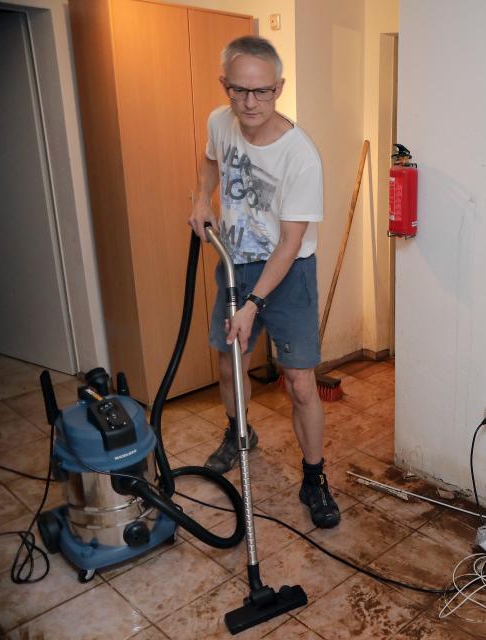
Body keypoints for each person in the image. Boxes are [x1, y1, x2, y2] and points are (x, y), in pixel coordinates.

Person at [188, 36, 339, 529]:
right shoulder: (219, 121)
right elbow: (211, 159)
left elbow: (291, 243)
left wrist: (253, 304)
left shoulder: (301, 156)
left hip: (288, 272)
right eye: (239, 90)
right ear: (225, 86)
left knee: (299, 382)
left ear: (279, 88)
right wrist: (201, 198)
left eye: (262, 91)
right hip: (236, 263)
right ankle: (239, 433)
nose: (250, 102)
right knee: (230, 363)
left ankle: (314, 477)